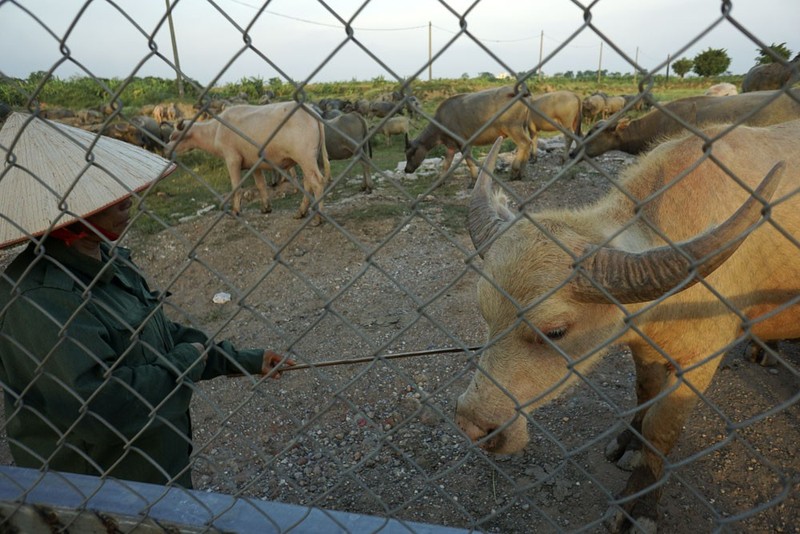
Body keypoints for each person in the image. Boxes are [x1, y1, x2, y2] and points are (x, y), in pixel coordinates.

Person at [0, 111, 293, 488]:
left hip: (152, 467)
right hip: (98, 489)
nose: (128, 200)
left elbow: (157, 336)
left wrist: (244, 359)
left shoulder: (107, 259)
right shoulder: (38, 300)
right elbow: (101, 405)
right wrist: (190, 360)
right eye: (105, 194)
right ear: (62, 211)